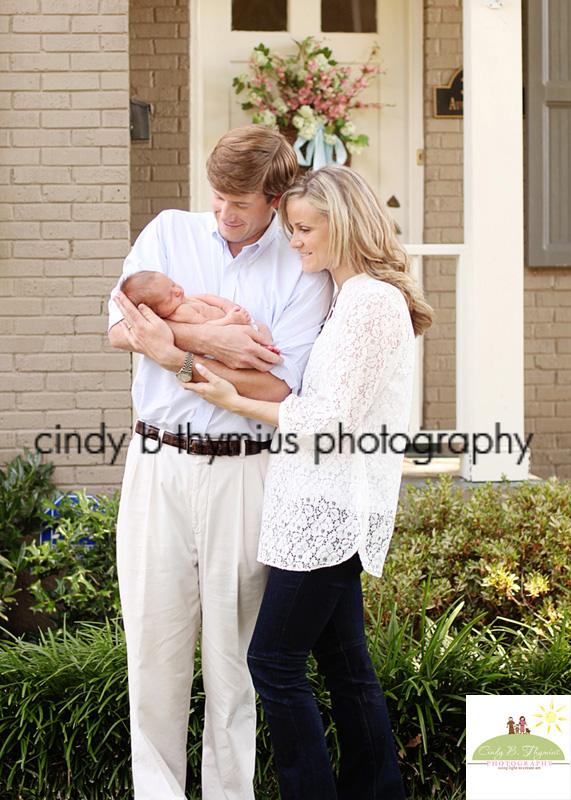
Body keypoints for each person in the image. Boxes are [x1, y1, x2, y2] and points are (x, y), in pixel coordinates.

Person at [178, 164, 434, 799]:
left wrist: (231, 399)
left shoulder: (369, 301)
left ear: (341, 226)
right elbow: (319, 390)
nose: (293, 241)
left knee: (274, 662)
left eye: (303, 228)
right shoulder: (348, 298)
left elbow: (326, 419)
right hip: (320, 507)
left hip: (326, 513)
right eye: (291, 228)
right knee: (347, 670)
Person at [108, 124, 333, 800]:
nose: (224, 215)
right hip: (157, 466)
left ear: (274, 198)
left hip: (246, 471)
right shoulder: (166, 234)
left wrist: (170, 345)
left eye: (240, 203)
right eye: (217, 198)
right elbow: (119, 328)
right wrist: (207, 335)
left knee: (233, 664)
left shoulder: (299, 266)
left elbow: (279, 387)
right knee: (153, 653)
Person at [120, 270, 280, 353]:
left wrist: (229, 307)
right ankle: (265, 347)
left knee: (261, 326)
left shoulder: (184, 298)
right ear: (157, 314)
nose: (177, 291)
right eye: (169, 297)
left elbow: (209, 298)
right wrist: (230, 320)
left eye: (172, 284)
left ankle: (267, 344)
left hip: (232, 320)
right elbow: (206, 327)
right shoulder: (181, 313)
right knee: (251, 332)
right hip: (226, 331)